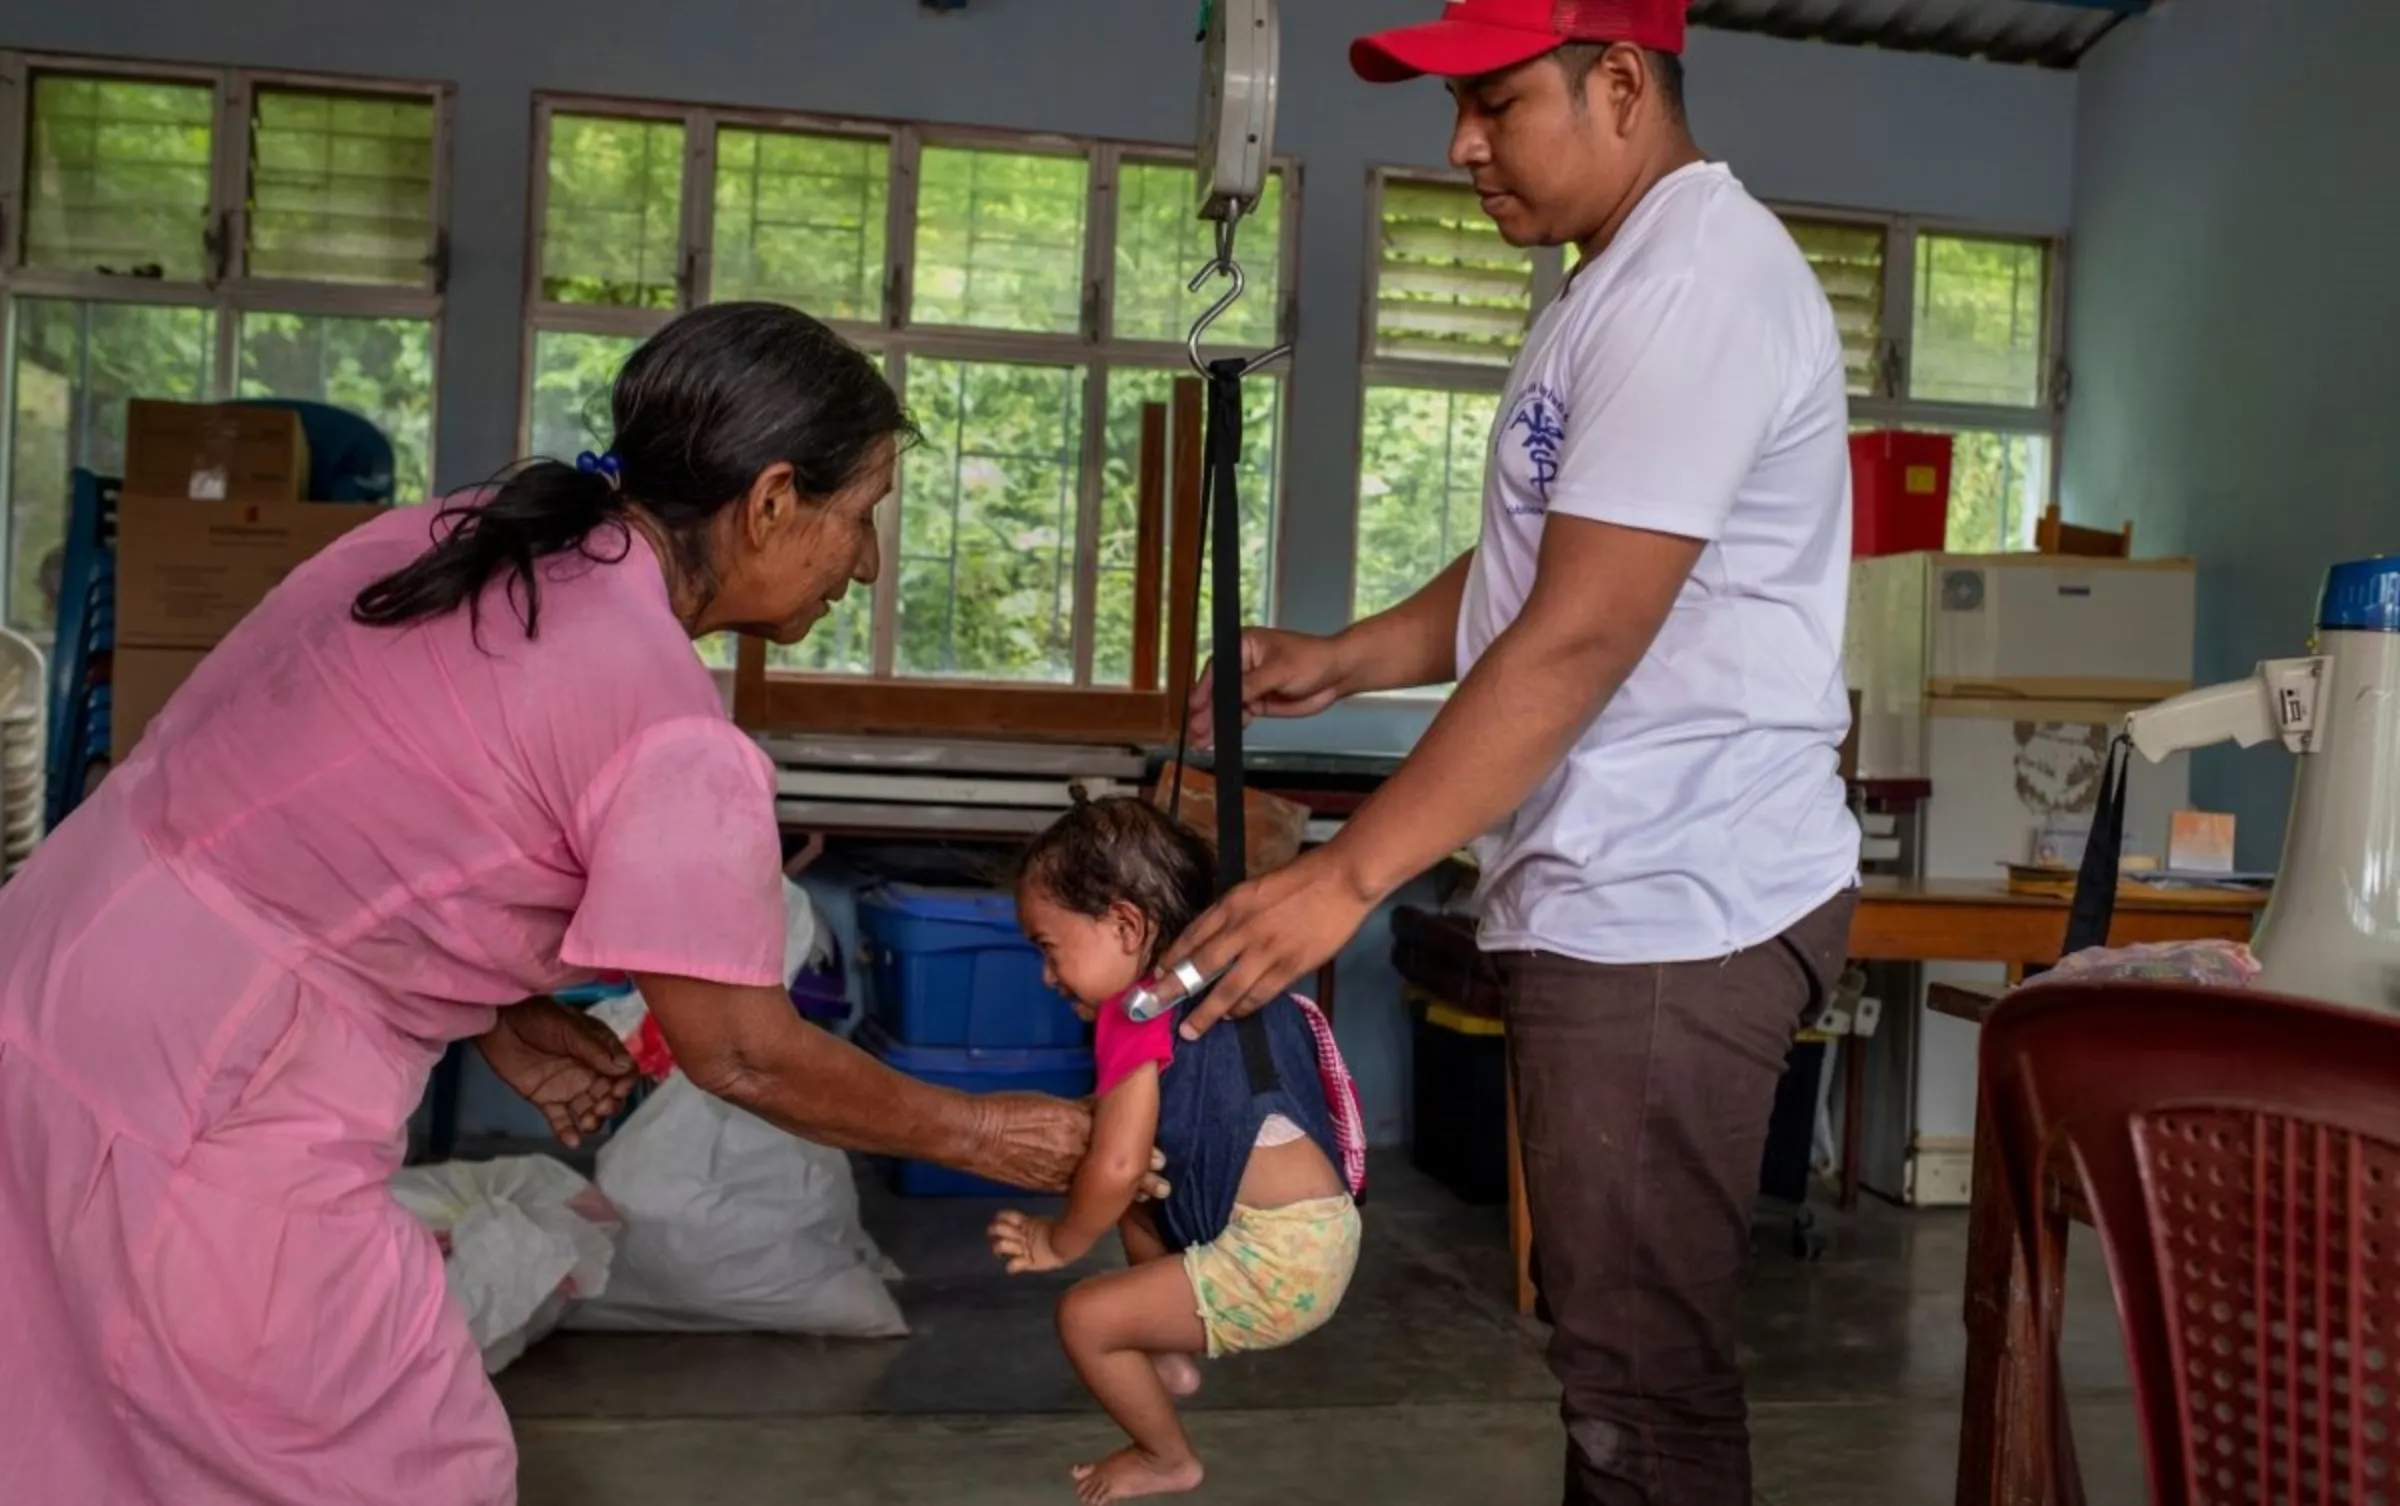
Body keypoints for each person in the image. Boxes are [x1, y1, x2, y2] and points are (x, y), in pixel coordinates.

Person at [0, 302, 1146, 1506]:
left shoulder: (454, 538)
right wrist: (981, 1132)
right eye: (858, 520)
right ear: (767, 503)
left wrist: (487, 1003)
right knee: (393, 1467)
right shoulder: (668, 730)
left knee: (71, 1429)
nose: (864, 563)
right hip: (202, 1100)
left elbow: (325, 778)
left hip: (55, 978)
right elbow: (746, 1057)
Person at [1144, 2, 1862, 1501]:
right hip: (1620, 881)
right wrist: (1350, 654)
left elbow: (1583, 633)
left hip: (1682, 890)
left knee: (1638, 1369)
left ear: (1618, 82)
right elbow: (1534, 573)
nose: (1463, 145)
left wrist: (1348, 876)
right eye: (1454, 107)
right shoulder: (1612, 285)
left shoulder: (1697, 284)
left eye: (1496, 101)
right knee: (1610, 1345)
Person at [987, 795, 1366, 1506]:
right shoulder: (1238, 972)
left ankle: (1166, 1457)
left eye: (1047, 947)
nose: (1046, 975)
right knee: (1138, 1204)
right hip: (1321, 1232)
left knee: (1084, 1316)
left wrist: (1058, 1240)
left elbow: (1117, 1162)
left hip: (1278, 1259)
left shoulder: (1136, 1014)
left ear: (1127, 924)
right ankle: (1166, 1352)